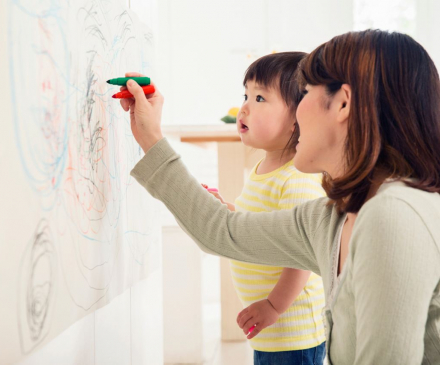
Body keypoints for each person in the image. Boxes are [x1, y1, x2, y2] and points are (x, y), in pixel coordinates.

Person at [121, 30, 440, 364]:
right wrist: (150, 138)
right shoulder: (332, 216)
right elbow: (222, 232)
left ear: (343, 103)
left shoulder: (394, 216)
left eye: (305, 93)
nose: (297, 112)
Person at [205, 52, 326, 364]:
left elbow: (302, 254)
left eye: (260, 98)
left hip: (293, 333)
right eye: (246, 94)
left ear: (298, 119)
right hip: (275, 333)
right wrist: (227, 212)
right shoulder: (263, 167)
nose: (244, 107)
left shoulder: (296, 179)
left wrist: (273, 305)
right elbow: (261, 226)